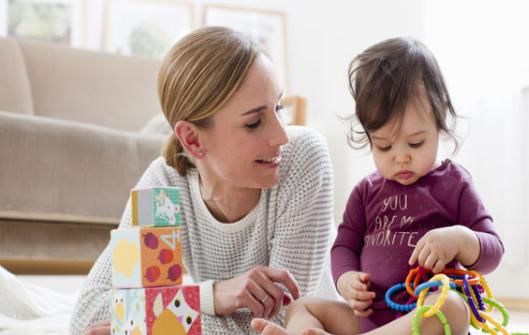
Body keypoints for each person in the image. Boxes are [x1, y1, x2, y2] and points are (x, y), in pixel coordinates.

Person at [70, 26, 335, 335]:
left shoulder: (303, 157)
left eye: (278, 107)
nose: (280, 136)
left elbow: (273, 325)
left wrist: (143, 324)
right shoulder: (164, 188)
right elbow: (88, 316)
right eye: (254, 123)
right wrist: (212, 295)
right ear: (192, 139)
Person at [251, 37, 504, 335]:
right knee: (300, 306)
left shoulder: (454, 183)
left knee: (453, 306)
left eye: (416, 142)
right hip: (369, 321)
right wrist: (346, 280)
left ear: (440, 120)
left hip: (424, 318)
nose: (401, 157)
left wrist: (460, 239)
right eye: (384, 146)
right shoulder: (366, 192)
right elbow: (344, 246)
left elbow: (493, 250)